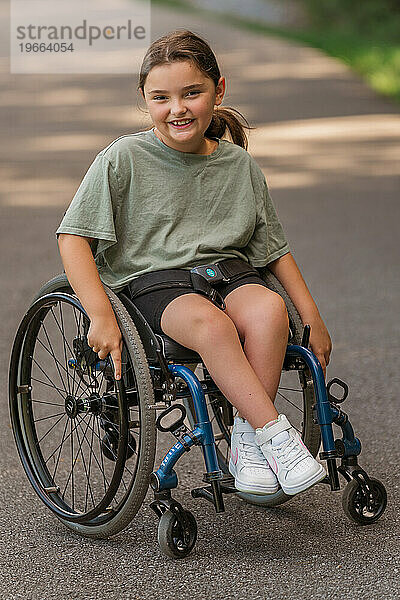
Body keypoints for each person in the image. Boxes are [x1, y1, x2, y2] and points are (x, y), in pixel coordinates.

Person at [56, 29, 332, 498]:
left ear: (218, 91)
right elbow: (72, 237)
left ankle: (246, 442)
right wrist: (101, 315)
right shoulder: (124, 158)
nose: (177, 109)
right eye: (161, 98)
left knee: (269, 311)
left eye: (191, 94)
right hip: (156, 282)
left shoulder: (239, 166)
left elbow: (273, 250)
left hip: (229, 273)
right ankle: (274, 434)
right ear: (145, 100)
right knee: (212, 326)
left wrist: (311, 316)